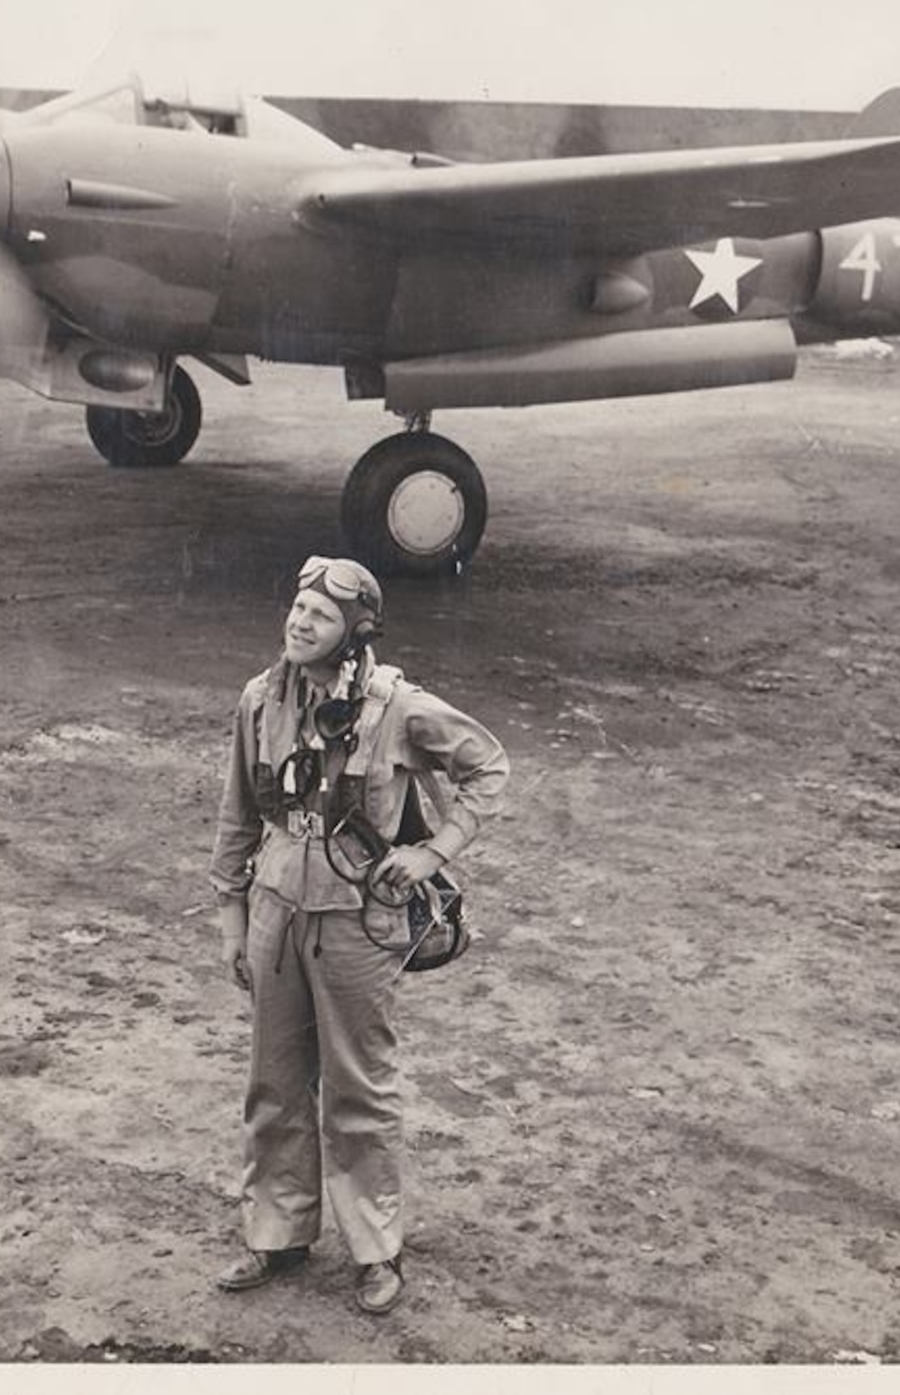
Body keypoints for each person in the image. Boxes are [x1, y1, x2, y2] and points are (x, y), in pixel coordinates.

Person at [207, 555, 509, 1315]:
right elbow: (239, 813)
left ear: (353, 633)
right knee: (273, 1082)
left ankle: (376, 1250)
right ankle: (276, 1232)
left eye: (320, 615)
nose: (300, 621)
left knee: (359, 1089)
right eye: (298, 606)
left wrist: (431, 851)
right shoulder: (260, 700)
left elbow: (488, 766)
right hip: (276, 908)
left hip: (358, 921)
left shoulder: (396, 707)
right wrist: (231, 914)